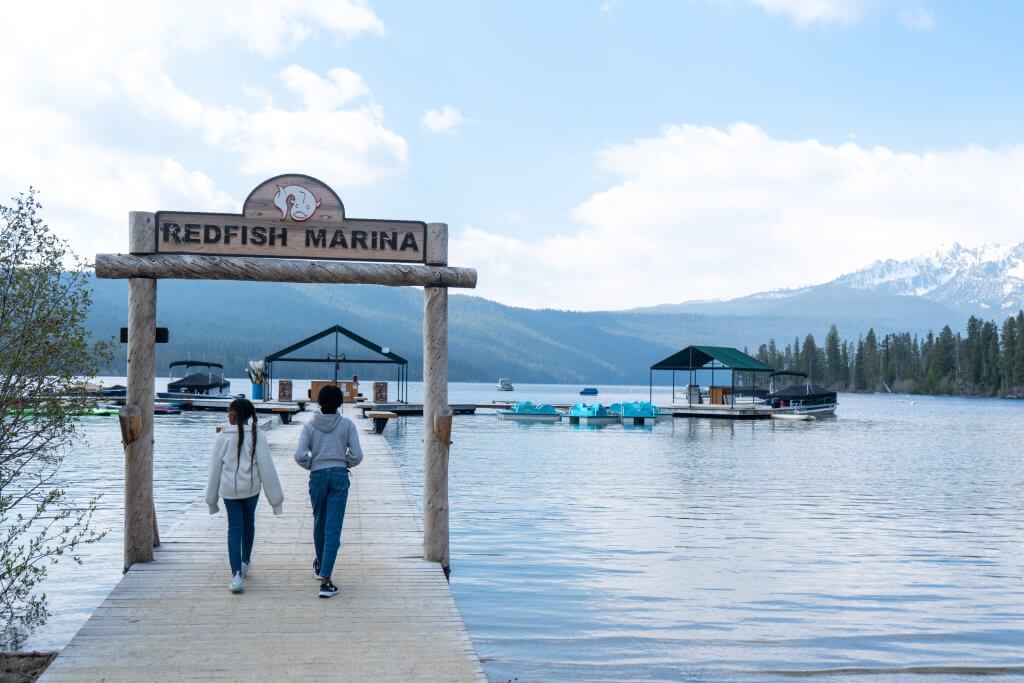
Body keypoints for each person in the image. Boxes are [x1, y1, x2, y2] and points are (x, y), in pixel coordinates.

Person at [205, 398, 284, 593]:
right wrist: (276, 501)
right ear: (249, 416)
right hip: (251, 490)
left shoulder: (222, 437)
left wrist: (211, 501)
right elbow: (267, 468)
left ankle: (236, 576)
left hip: (229, 492)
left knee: (234, 528)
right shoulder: (258, 435)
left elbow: (214, 469)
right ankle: (245, 561)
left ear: (233, 416)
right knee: (249, 523)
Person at [293, 385, 363, 598]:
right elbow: (357, 455)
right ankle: (326, 580)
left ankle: (320, 565)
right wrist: (345, 462)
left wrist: (312, 465)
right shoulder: (347, 425)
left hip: (317, 476)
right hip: (339, 476)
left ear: (318, 402)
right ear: (340, 404)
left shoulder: (310, 426)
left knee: (319, 521)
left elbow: (299, 455)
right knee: (333, 528)